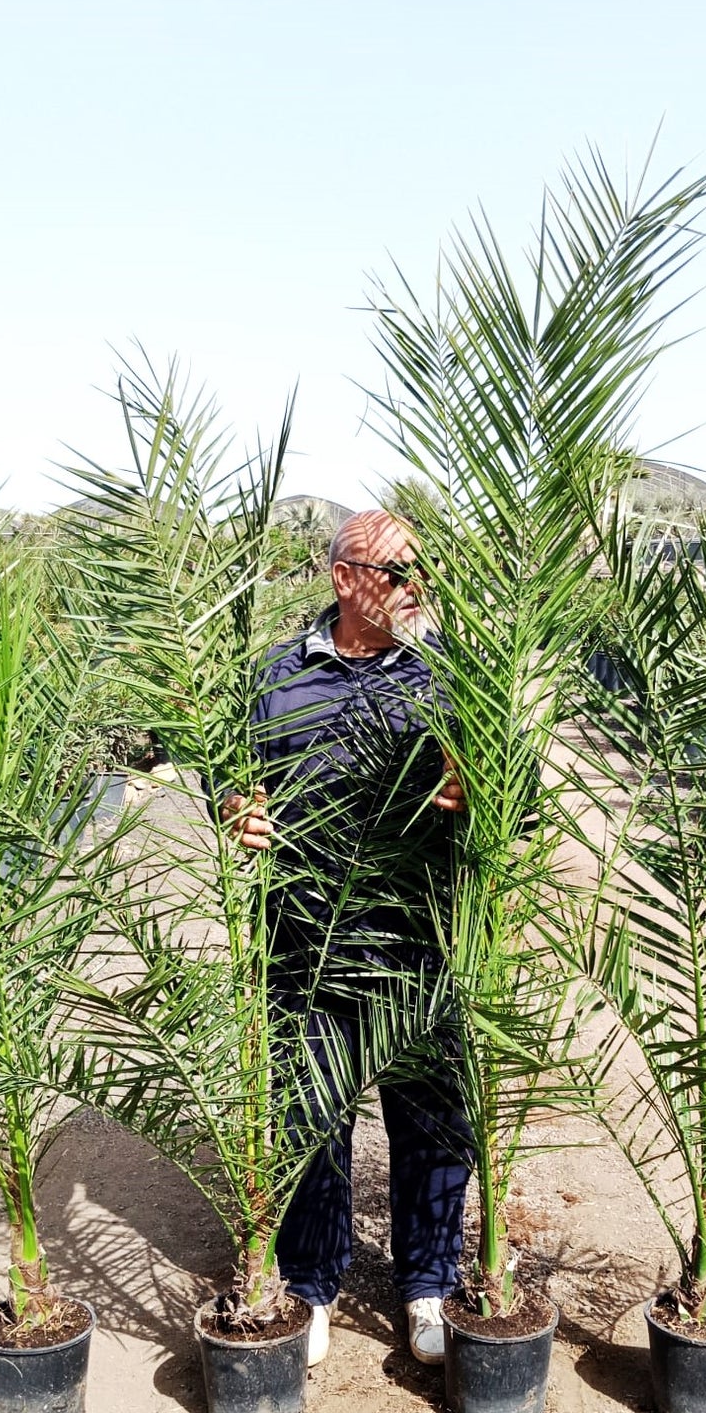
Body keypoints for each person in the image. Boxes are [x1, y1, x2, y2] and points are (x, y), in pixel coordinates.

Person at [221, 509, 470, 1368]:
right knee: (311, 1117)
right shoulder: (273, 679)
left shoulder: (447, 679)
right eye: (396, 574)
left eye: (419, 575)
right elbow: (234, 783)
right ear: (343, 576)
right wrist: (237, 814)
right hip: (305, 944)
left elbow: (513, 803)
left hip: (417, 942)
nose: (412, 590)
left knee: (433, 1123)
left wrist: (472, 799)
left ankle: (427, 1286)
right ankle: (313, 1283)